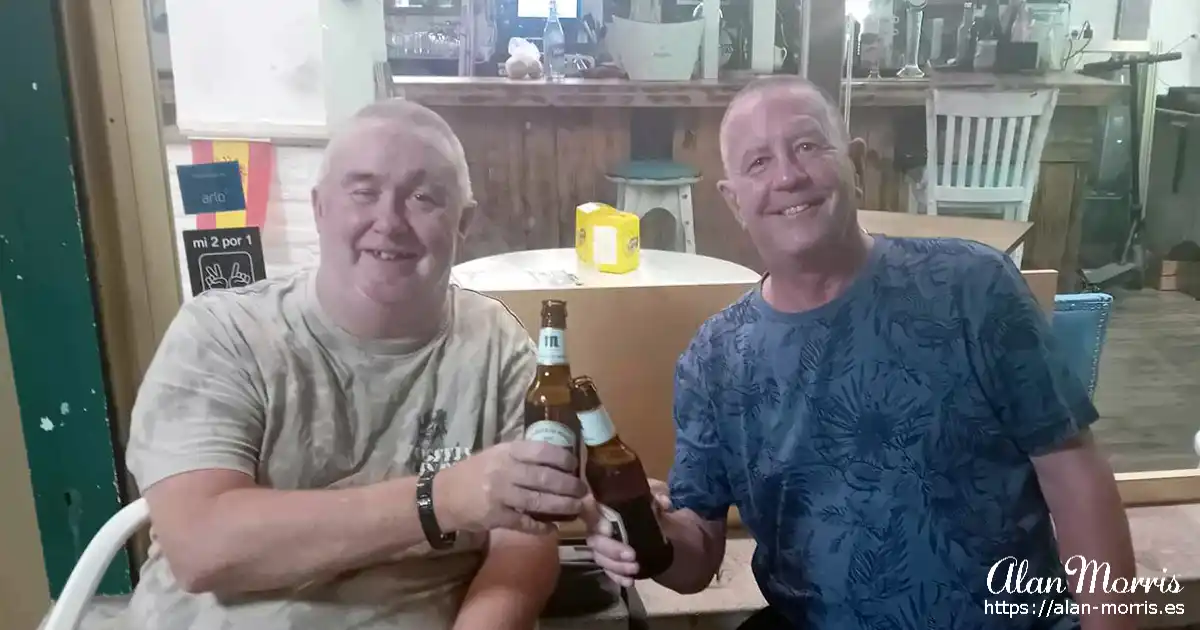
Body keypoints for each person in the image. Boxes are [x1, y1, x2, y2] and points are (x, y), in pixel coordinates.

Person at [584, 76, 1137, 630]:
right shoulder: (715, 359)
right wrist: (644, 531)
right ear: (733, 201)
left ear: (854, 163)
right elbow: (697, 553)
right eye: (757, 163)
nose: (787, 176)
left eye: (807, 146)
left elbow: (1074, 476)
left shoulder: (972, 286)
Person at [119, 100, 587, 630]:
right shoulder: (224, 333)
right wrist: (441, 498)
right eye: (363, 192)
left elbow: (523, 548)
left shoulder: (499, 347)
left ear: (464, 223)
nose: (388, 222)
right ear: (320, 208)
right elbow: (201, 546)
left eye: (423, 197)